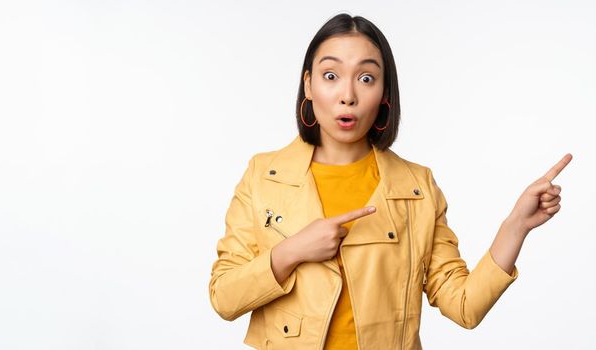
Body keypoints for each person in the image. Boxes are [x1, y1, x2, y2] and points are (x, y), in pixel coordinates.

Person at [208, 13, 572, 350]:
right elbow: (224, 298)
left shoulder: (417, 187)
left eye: (366, 78)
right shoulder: (263, 176)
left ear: (384, 94)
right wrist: (292, 251)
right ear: (308, 85)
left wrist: (516, 226)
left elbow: (464, 307)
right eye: (330, 76)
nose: (347, 95)